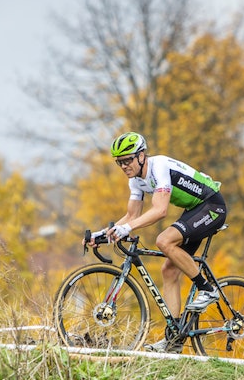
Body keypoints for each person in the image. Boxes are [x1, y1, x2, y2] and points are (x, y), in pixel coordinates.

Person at [89, 131, 227, 352]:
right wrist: (102, 235)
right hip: (194, 209)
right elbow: (131, 217)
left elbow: (160, 211)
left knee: (164, 240)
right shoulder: (135, 182)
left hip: (212, 206)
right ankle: (174, 340)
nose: (124, 166)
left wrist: (127, 228)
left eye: (127, 160)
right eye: (119, 162)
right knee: (169, 271)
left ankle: (207, 289)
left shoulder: (160, 166)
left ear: (142, 155)